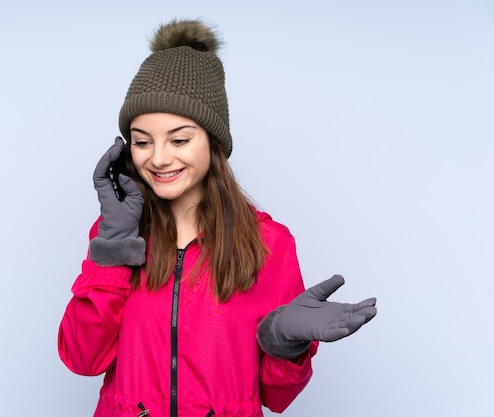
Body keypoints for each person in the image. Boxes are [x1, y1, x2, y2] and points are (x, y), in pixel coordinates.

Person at [58, 18, 377, 417]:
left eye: (179, 139)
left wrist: (284, 341)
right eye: (142, 141)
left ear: (213, 142)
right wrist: (115, 248)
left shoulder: (268, 243)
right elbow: (81, 360)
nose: (157, 157)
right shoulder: (116, 236)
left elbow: (276, 398)